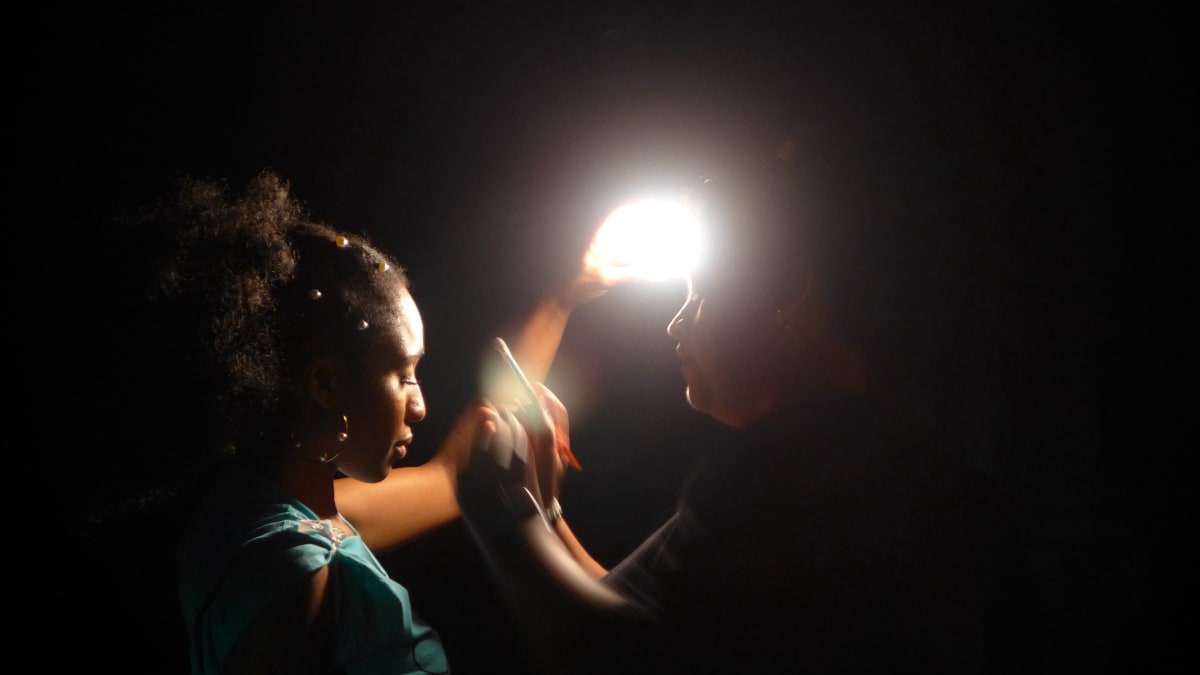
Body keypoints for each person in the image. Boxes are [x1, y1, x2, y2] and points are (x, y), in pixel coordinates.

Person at [453, 132, 1047, 674]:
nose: (676, 324)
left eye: (700, 295)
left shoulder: (799, 478)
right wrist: (546, 511)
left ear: (786, 287)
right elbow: (643, 609)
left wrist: (506, 518)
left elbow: (621, 657)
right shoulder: (892, 465)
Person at [80, 169, 489, 675]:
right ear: (326, 384)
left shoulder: (259, 509)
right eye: (404, 373)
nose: (420, 404)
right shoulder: (291, 572)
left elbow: (450, 477)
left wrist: (562, 298)